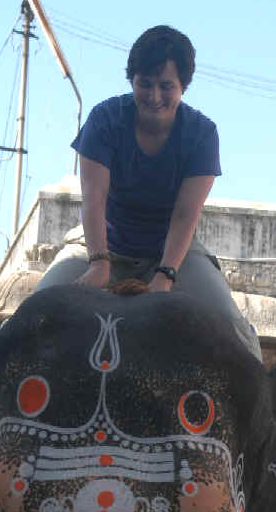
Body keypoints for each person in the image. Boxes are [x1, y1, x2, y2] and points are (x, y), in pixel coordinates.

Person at [36, 24, 261, 359]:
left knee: (233, 328)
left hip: (173, 255)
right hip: (99, 245)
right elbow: (93, 199)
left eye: (166, 86)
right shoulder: (104, 120)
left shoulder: (201, 134)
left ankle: (264, 410)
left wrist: (166, 274)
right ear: (132, 80)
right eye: (145, 84)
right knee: (32, 312)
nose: (155, 97)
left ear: (183, 86)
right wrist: (99, 263)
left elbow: (186, 215)